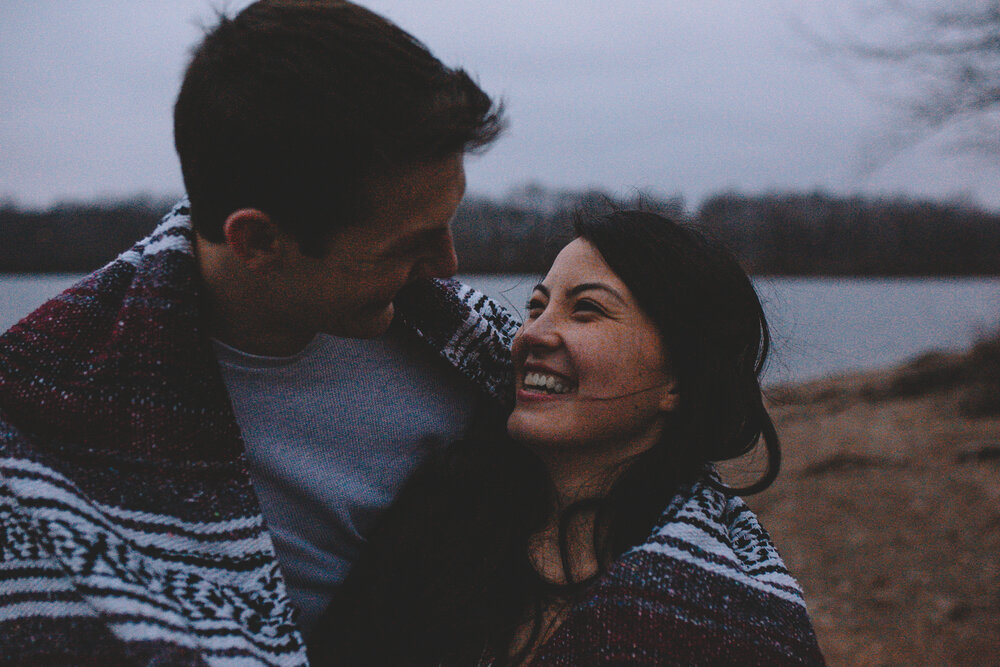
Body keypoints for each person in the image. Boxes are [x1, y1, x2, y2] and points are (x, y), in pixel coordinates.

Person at [0, 1, 513, 664]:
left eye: (449, 222)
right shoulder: (41, 423)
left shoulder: (480, 355)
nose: (448, 267)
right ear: (259, 239)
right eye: (406, 245)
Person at [309, 210, 826, 666]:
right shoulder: (439, 524)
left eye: (586, 311)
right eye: (537, 306)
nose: (531, 334)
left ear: (681, 380)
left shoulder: (727, 617)